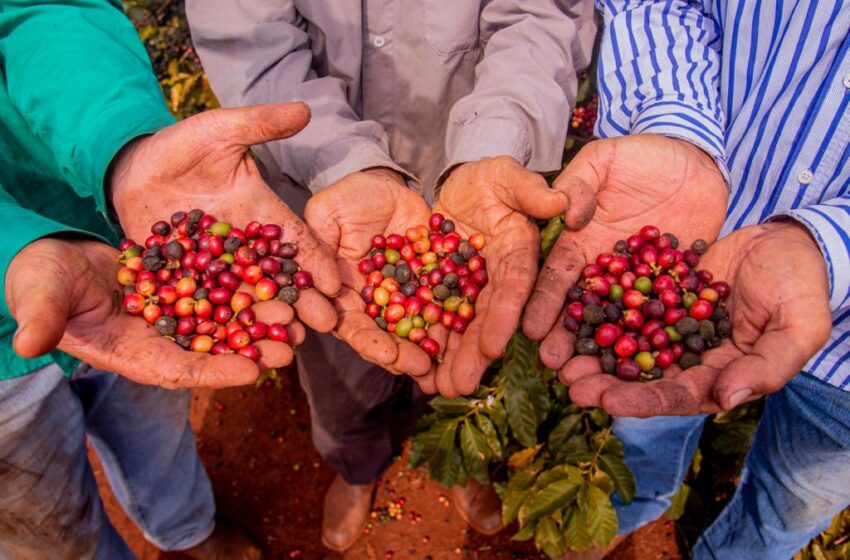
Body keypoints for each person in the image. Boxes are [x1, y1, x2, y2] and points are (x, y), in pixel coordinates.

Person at [186, 0, 596, 550]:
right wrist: (344, 161)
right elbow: (251, 44)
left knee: (454, 360)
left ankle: (451, 456)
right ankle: (356, 469)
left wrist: (497, 142)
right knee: (340, 376)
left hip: (460, 161)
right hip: (320, 193)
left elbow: (542, 16)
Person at [0, 0, 340, 557]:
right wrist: (11, 249)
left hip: (107, 255)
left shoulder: (156, 275)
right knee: (42, 529)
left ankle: (187, 533)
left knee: (158, 433)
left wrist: (123, 145)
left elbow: (44, 11)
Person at [523, 1, 845, 558]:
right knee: (649, 420)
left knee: (798, 494)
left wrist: (829, 244)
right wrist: (675, 125)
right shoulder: (669, 291)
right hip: (714, 215)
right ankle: (629, 509)